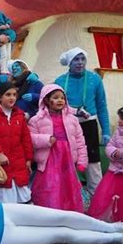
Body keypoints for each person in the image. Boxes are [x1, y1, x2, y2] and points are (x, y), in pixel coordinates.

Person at [55, 47, 110, 199]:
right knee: (68, 159)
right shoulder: (60, 81)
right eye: (76, 60)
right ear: (69, 63)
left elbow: (101, 106)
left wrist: (106, 131)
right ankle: (68, 195)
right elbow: (55, 105)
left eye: (82, 59)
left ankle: (98, 197)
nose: (80, 63)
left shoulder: (95, 79)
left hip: (89, 123)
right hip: (67, 123)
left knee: (93, 161)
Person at [28, 84, 88, 212]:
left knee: (67, 187)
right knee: (51, 186)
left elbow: (80, 140)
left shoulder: (72, 119)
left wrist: (82, 160)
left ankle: (69, 212)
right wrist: (46, 139)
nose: (60, 100)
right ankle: (50, 212)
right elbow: (30, 138)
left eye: (62, 98)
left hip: (67, 159)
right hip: (49, 158)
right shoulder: (36, 120)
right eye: (56, 98)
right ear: (46, 100)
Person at [89, 105, 123, 238]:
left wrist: (122, 153)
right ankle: (112, 223)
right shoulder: (118, 131)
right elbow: (109, 146)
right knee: (111, 199)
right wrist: (113, 152)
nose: (119, 121)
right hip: (115, 173)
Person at [0, 82, 34, 203]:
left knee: (22, 194)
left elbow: (26, 138)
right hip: (2, 162)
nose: (12, 98)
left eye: (14, 95)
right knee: (5, 194)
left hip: (18, 161)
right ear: (0, 97)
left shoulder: (19, 115)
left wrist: (28, 159)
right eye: (8, 94)